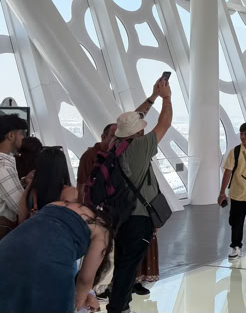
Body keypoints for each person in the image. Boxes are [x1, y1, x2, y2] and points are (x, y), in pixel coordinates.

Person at [0, 151, 117, 311]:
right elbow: (84, 280)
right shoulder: (101, 229)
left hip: (8, 249)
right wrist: (82, 302)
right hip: (49, 260)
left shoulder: (53, 203)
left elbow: (23, 221)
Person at [107, 78, 172, 313]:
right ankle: (118, 308)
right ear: (139, 131)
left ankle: (122, 305)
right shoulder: (139, 147)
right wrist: (166, 98)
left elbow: (132, 119)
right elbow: (165, 123)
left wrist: (153, 97)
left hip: (121, 215)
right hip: (138, 218)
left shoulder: (115, 145)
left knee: (124, 262)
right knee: (128, 266)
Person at [218, 122, 246, 260]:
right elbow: (228, 172)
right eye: (241, 134)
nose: (242, 137)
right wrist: (222, 193)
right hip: (238, 192)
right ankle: (236, 247)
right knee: (236, 221)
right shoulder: (235, 151)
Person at [18, 146, 78, 223]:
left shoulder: (32, 189)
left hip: (33, 228)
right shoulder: (70, 192)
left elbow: (21, 218)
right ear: (62, 168)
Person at [0, 114, 27, 240]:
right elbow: (20, 208)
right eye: (22, 133)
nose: (23, 138)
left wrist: (24, 181)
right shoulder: (3, 166)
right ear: (11, 136)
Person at [77, 124, 117, 203]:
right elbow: (81, 184)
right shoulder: (89, 156)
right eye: (113, 136)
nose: (116, 140)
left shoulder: (119, 154)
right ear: (103, 137)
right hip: (94, 203)